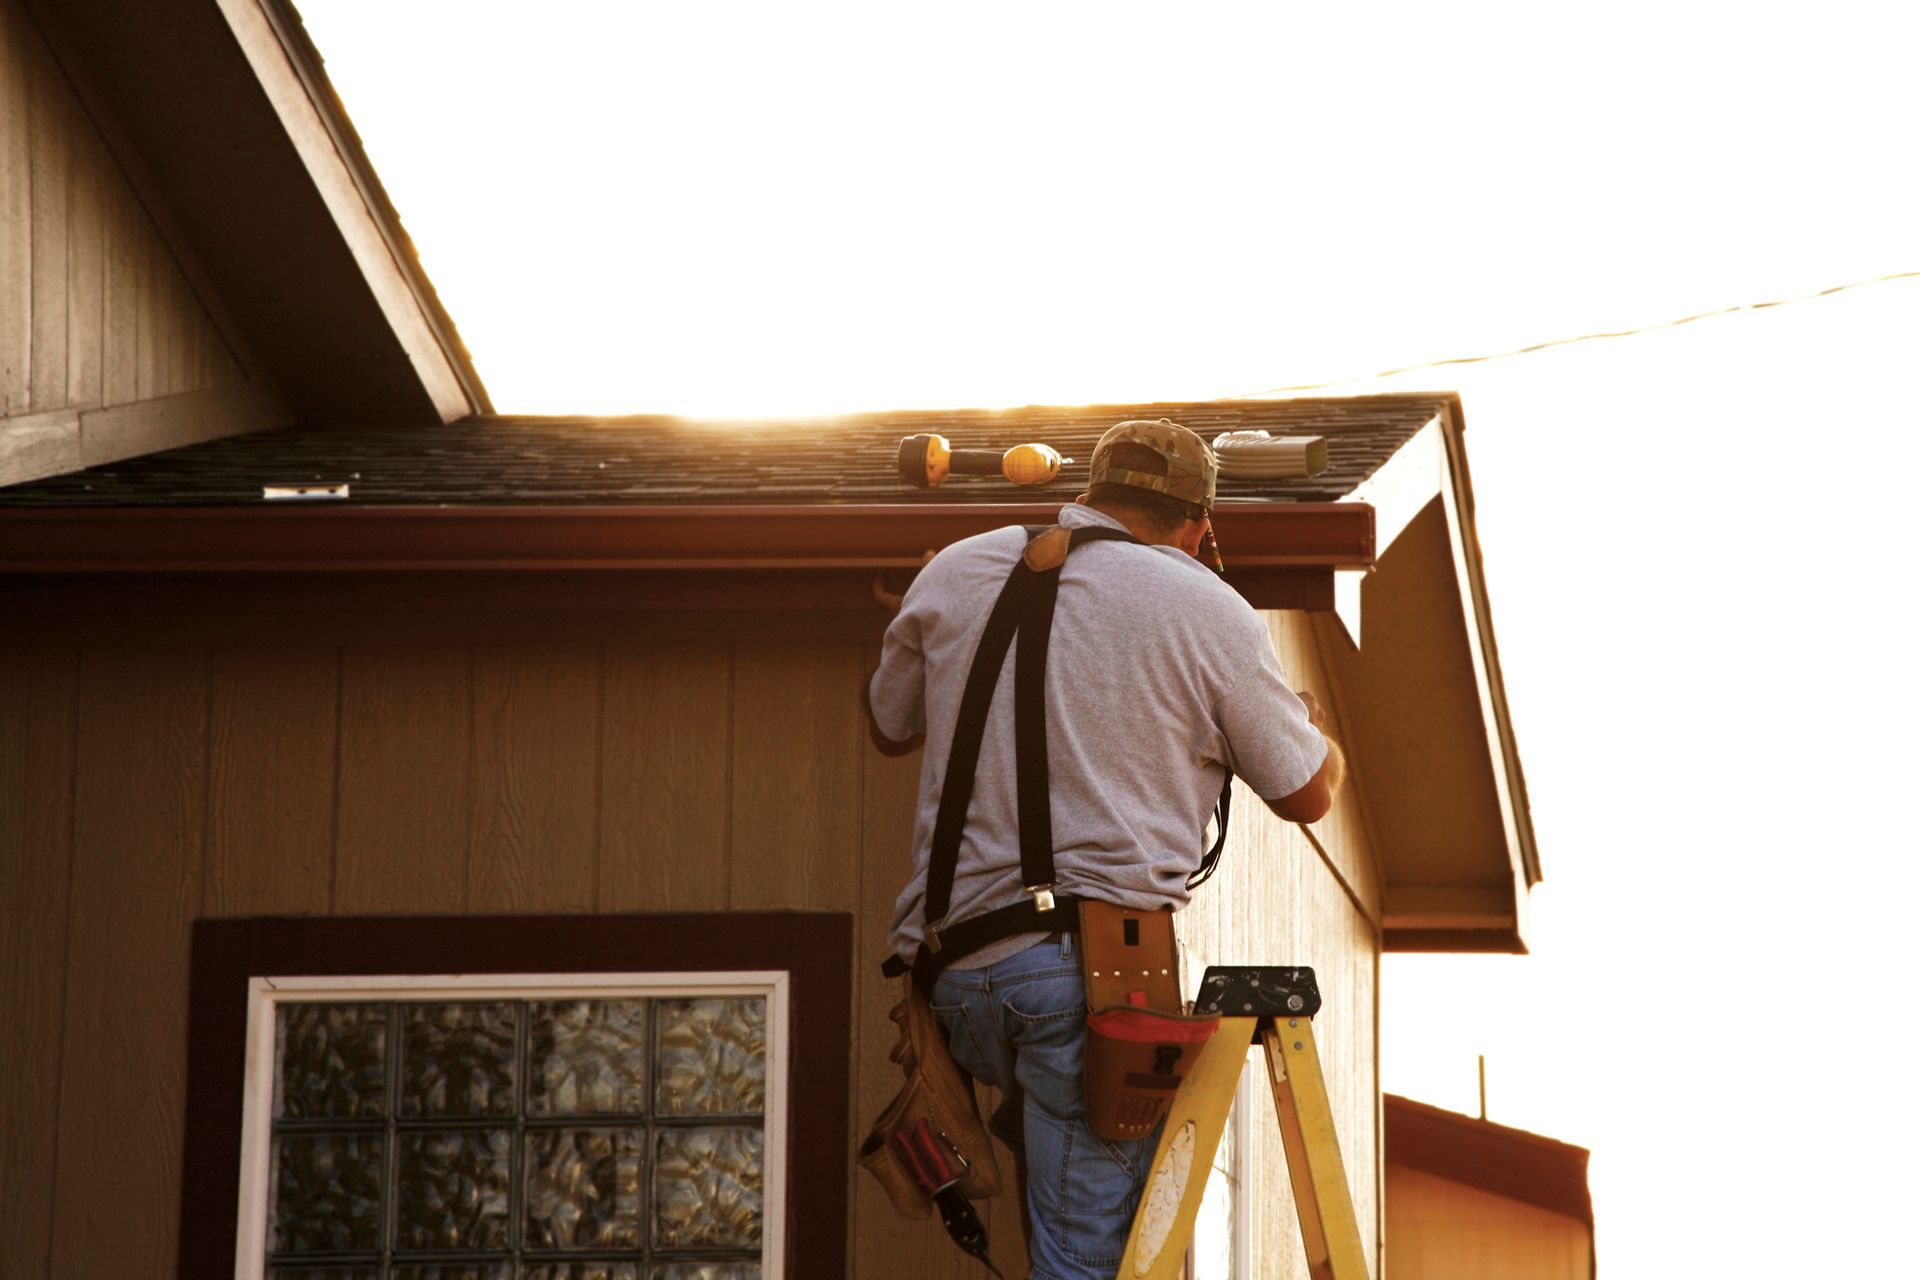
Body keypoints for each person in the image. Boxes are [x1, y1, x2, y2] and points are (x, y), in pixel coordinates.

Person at [864, 418, 1344, 1280]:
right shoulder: (1203, 604)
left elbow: (887, 722)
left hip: (952, 981)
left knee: (1060, 1227)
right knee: (1089, 1264)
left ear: (1086, 492)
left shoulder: (956, 567)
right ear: (1198, 525)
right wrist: (1312, 729)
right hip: (1084, 982)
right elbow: (1306, 791)